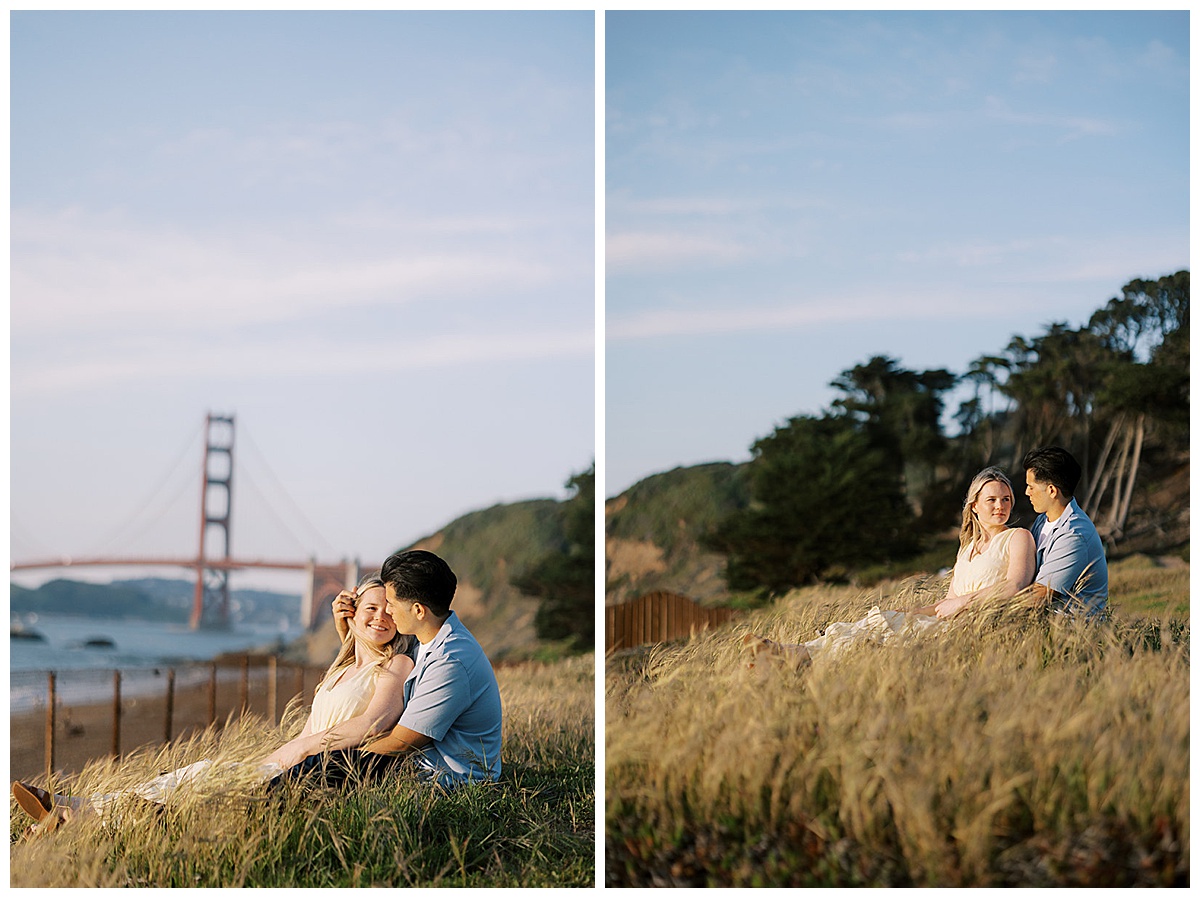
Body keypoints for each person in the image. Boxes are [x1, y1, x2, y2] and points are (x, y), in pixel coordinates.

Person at [13, 574, 413, 832]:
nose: (379, 617)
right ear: (353, 611)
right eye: (370, 608)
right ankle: (66, 815)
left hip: (321, 770)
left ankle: (68, 810)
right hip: (290, 762)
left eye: (388, 611)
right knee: (191, 777)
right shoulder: (342, 666)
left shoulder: (396, 663)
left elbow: (375, 722)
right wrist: (284, 753)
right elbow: (314, 723)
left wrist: (305, 748)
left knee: (197, 779)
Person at [743, 466, 1036, 666]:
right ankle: (792, 656)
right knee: (875, 622)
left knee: (872, 634)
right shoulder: (967, 548)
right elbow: (943, 604)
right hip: (946, 620)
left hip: (975, 625)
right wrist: (908, 613)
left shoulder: (1017, 537)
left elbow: (1014, 585)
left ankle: (789, 656)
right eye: (992, 499)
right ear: (974, 505)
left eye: (1006, 499)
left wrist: (964, 601)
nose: (1000, 506)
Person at [324, 549, 504, 787]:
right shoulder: (427, 640)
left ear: (419, 610)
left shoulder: (450, 662)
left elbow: (401, 743)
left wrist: (328, 762)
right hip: (419, 764)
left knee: (310, 775)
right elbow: (368, 666)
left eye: (391, 603)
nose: (387, 611)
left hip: (447, 781)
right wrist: (346, 629)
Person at [1021, 446, 1108, 617]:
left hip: (1074, 634)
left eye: (1031, 487)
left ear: (1052, 491)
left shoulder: (1074, 535)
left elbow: (1039, 597)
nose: (1026, 492)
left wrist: (986, 605)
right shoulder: (1042, 521)